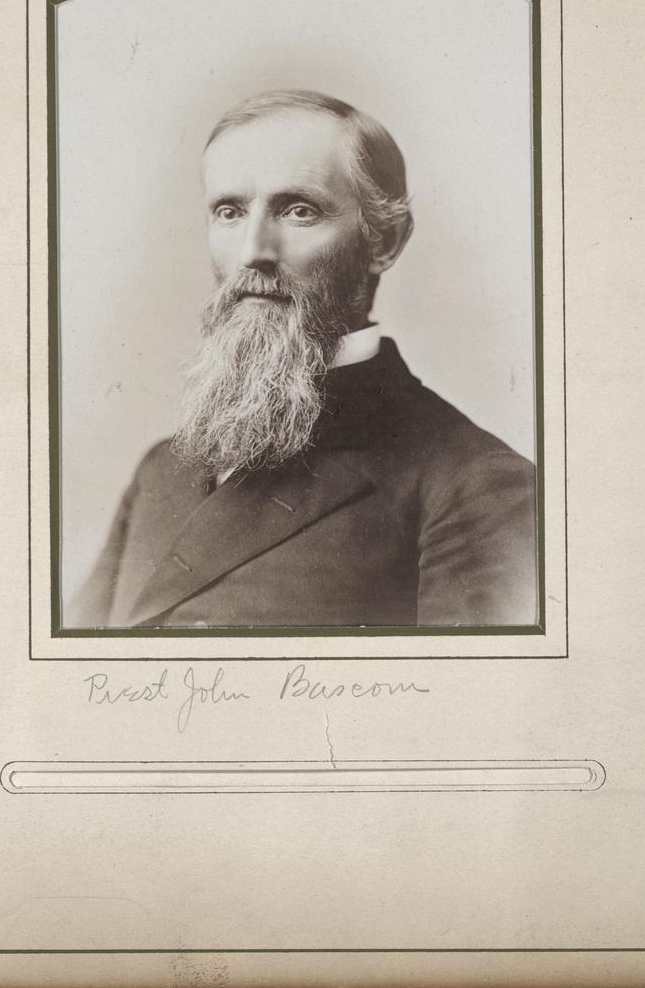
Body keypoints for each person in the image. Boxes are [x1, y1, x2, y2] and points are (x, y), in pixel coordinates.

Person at [68, 89, 538, 630]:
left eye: (298, 211)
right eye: (229, 212)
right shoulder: (163, 471)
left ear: (384, 241)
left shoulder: (474, 486)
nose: (254, 251)